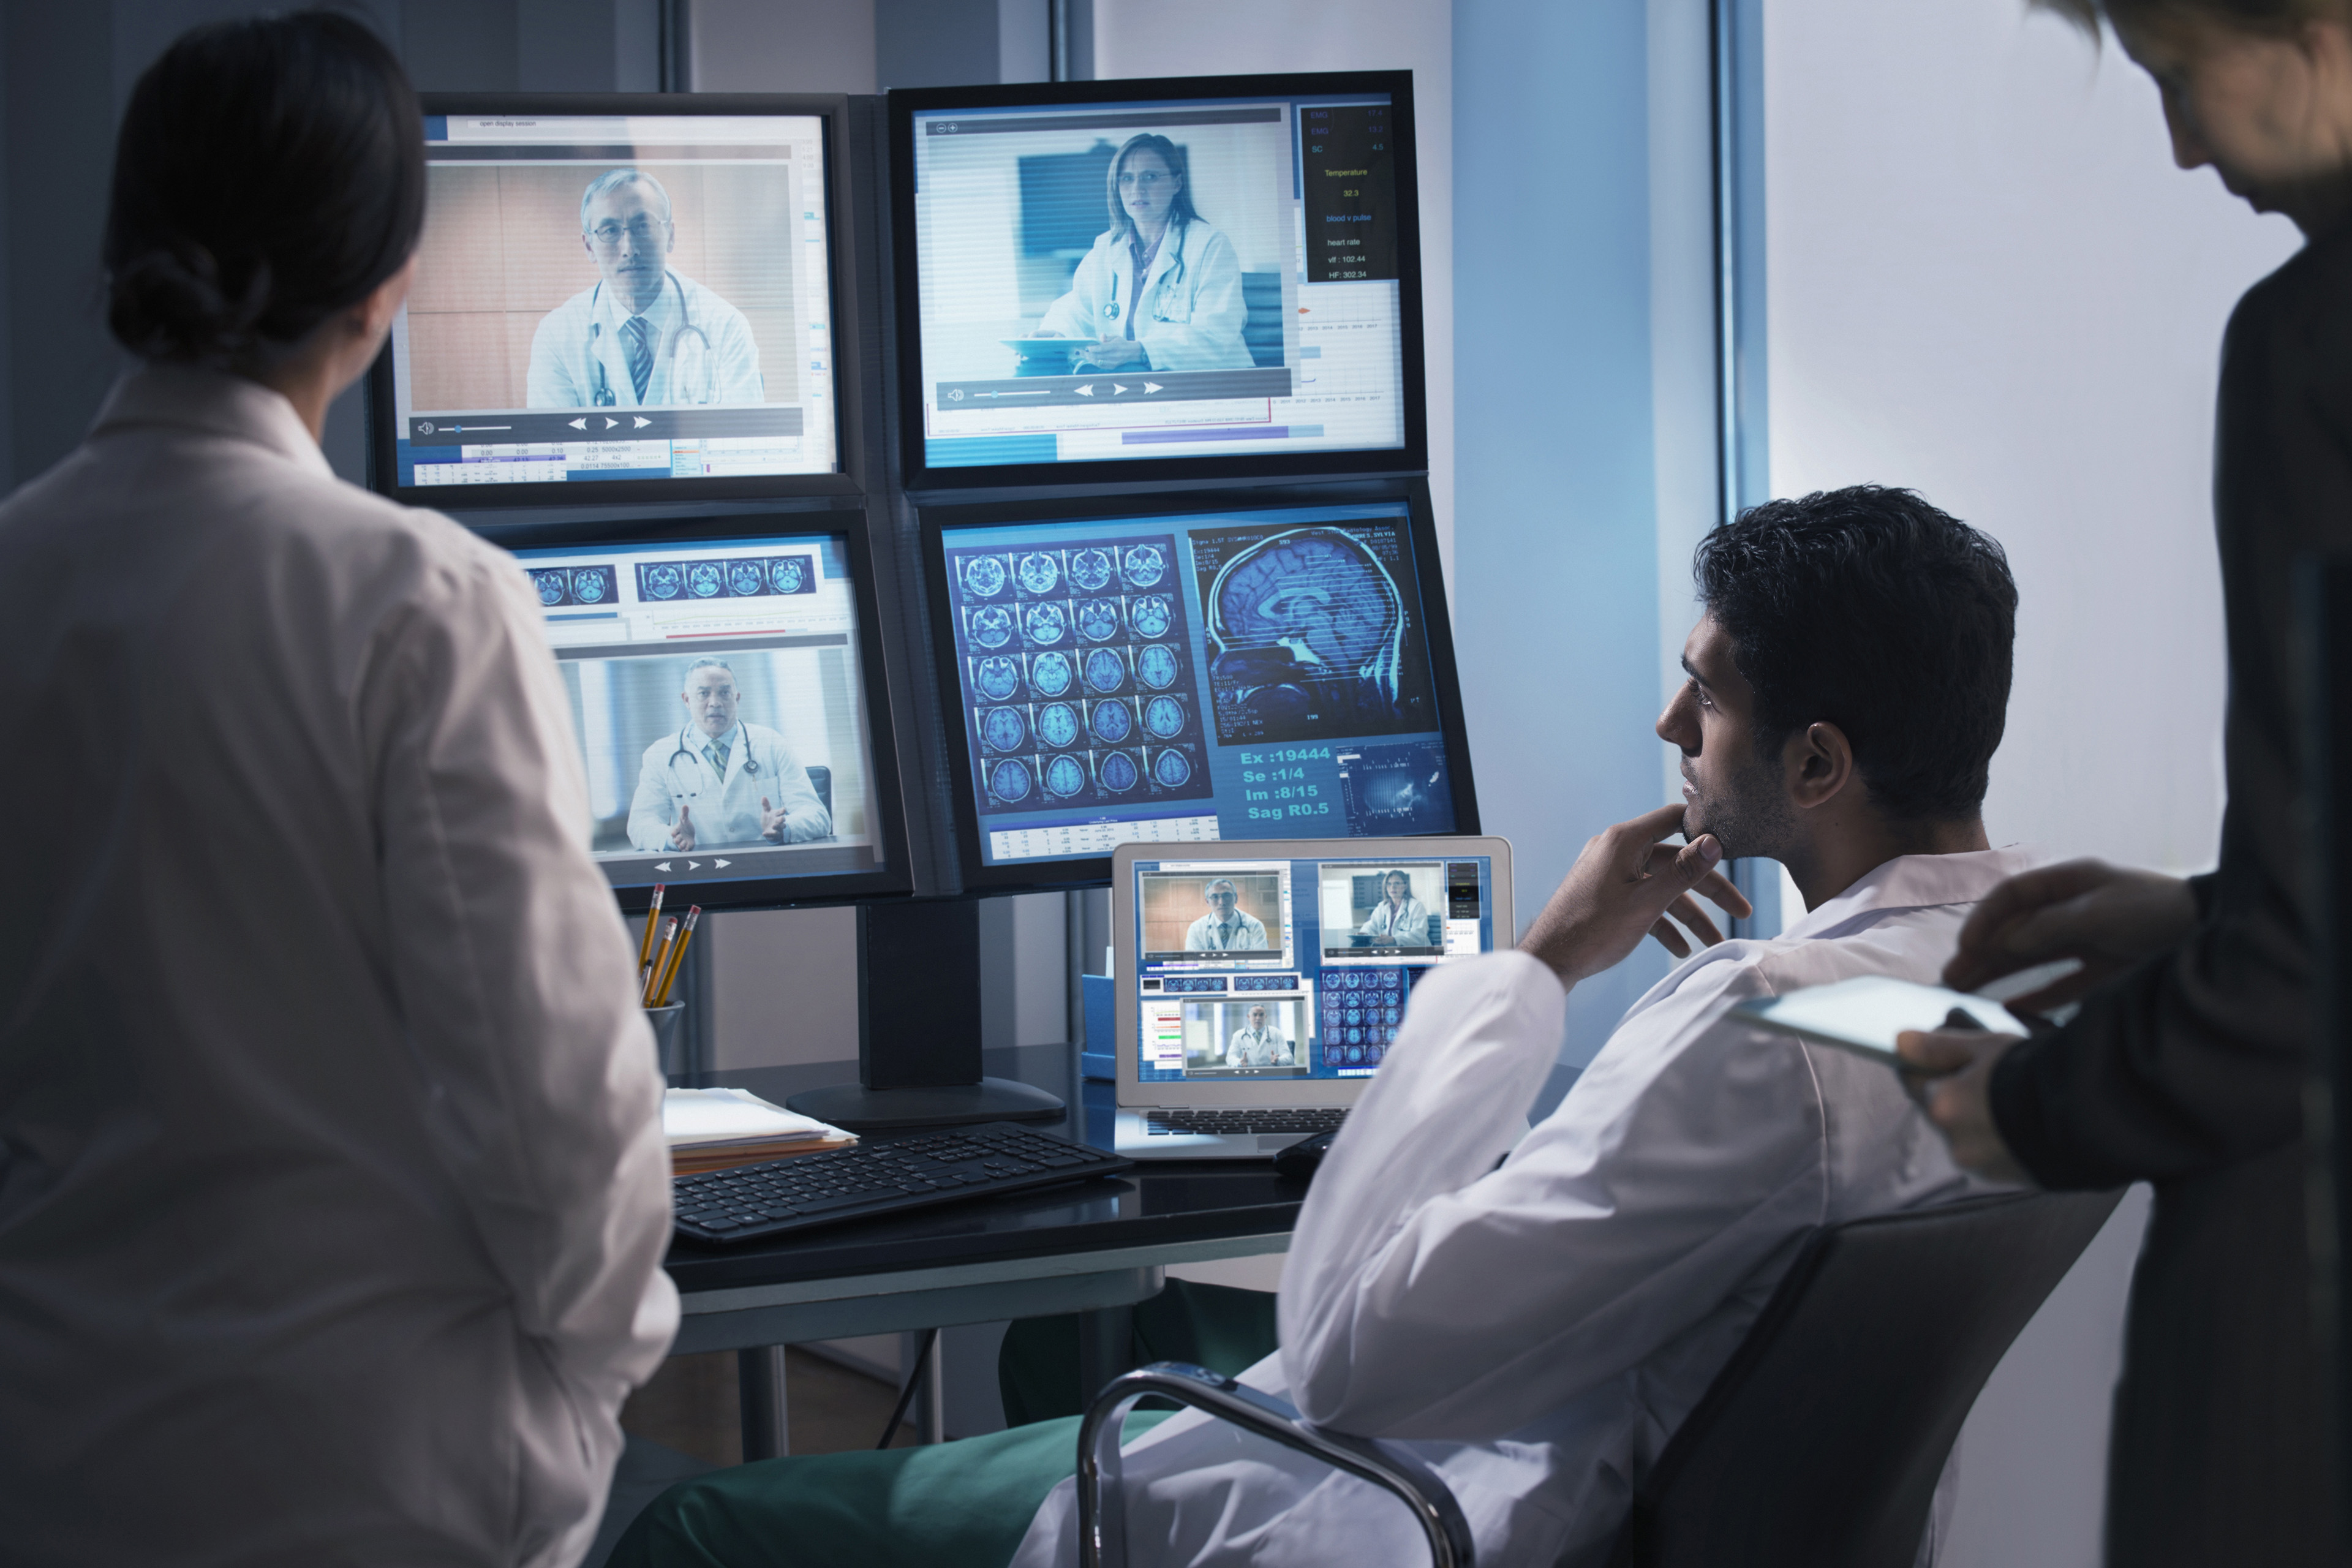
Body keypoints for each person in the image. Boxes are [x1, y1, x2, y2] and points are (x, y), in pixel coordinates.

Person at [609, 486, 2026, 1568]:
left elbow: (1349, 1356)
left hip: (1441, 1507)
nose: (1668, 720)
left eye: (1705, 691)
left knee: (706, 1523)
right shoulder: (2023, 983)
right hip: (1626, 1457)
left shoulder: (1761, 1026)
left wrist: (1533, 966)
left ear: (1817, 759)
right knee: (1099, 1325)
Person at [0, 15, 675, 1567]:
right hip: (376, 1473)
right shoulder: (420, 600)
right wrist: (584, 1382)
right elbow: (556, 1097)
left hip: (48, 1458)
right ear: (386, 285)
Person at [1894, 5, 2352, 1560]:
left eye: (2173, 74)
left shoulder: (2313, 345)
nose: (2181, 144)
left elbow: (2295, 996)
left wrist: (2019, 1103)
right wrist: (2199, 906)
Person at [526, 168, 763, 409]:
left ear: (670, 235)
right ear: (589, 247)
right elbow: (554, 443)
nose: (629, 248)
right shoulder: (556, 335)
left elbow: (744, 437)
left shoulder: (726, 327)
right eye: (610, 231)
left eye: (643, 226)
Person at [1031, 132, 1252, 373]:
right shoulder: (1106, 248)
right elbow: (1074, 309)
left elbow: (1215, 333)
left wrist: (1140, 350)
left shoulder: (1211, 245)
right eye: (1127, 179)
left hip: (1212, 384)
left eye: (1151, 177)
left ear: (1177, 183)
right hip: (1139, 385)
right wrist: (1056, 333)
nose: (1138, 189)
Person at [628, 657, 831, 852]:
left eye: (724, 693)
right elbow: (640, 826)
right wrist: (673, 837)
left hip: (768, 868)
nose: (715, 702)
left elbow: (818, 816)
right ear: (687, 700)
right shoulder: (660, 754)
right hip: (700, 872)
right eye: (703, 694)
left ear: (737, 698)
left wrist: (784, 828)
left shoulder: (772, 744)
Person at [1183, 878, 1269, 951]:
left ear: (1236, 898)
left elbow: (1261, 962)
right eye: (1215, 897)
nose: (1222, 902)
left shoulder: (1255, 926)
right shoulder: (1196, 929)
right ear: (1208, 902)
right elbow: (1194, 964)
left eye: (1227, 896)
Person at [1356, 868, 1431, 946]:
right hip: (1391, 950)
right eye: (1389, 884)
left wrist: (1394, 939)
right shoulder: (1382, 906)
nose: (1392, 887)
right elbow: (1371, 925)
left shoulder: (1416, 906)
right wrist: (1364, 933)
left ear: (1405, 886)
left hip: (1415, 951)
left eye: (1397, 883)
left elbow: (1418, 935)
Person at [1224, 1005, 1293, 1067]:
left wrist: (1278, 1061)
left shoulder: (1276, 1033)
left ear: (1265, 1017)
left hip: (1272, 1075)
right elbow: (1230, 1058)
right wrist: (1240, 1062)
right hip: (1248, 1075)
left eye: (1261, 1015)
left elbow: (1289, 1057)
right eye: (1255, 1015)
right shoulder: (1238, 1035)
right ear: (1249, 1017)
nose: (1258, 1018)